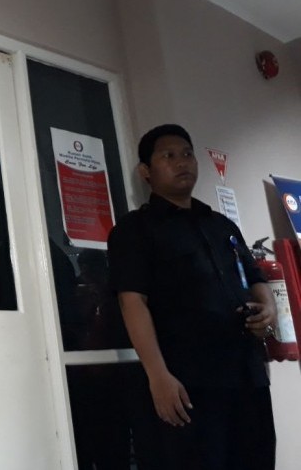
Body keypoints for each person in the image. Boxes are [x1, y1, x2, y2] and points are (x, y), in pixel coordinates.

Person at [108, 123, 277, 470]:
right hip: (189, 384)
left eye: (187, 154)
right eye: (168, 156)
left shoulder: (221, 225)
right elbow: (132, 302)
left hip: (246, 376)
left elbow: (255, 277)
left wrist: (268, 308)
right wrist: (158, 375)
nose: (182, 162)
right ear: (146, 172)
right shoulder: (134, 230)